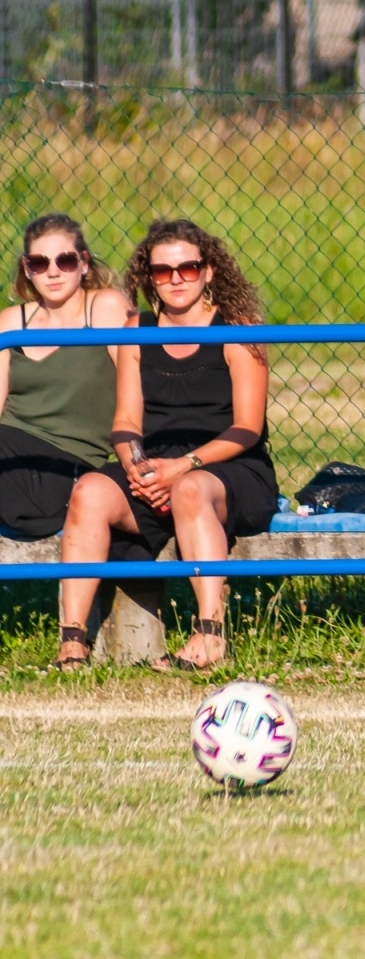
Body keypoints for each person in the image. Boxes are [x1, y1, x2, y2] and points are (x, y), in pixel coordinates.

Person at [55, 220, 278, 672]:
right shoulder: (135, 329)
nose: (176, 279)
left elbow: (248, 428)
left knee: (191, 489)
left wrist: (182, 468)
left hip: (228, 464)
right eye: (162, 271)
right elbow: (126, 421)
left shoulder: (238, 329)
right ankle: (73, 643)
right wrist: (137, 467)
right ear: (147, 277)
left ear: (209, 271)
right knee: (89, 492)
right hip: (156, 462)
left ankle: (210, 635)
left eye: (188, 268)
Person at [0, 215, 134, 540]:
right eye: (39, 262)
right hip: (9, 455)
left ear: (84, 262)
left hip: (66, 466)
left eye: (65, 259)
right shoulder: (11, 322)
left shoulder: (105, 309)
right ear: (27, 268)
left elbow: (138, 388)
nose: (53, 271)